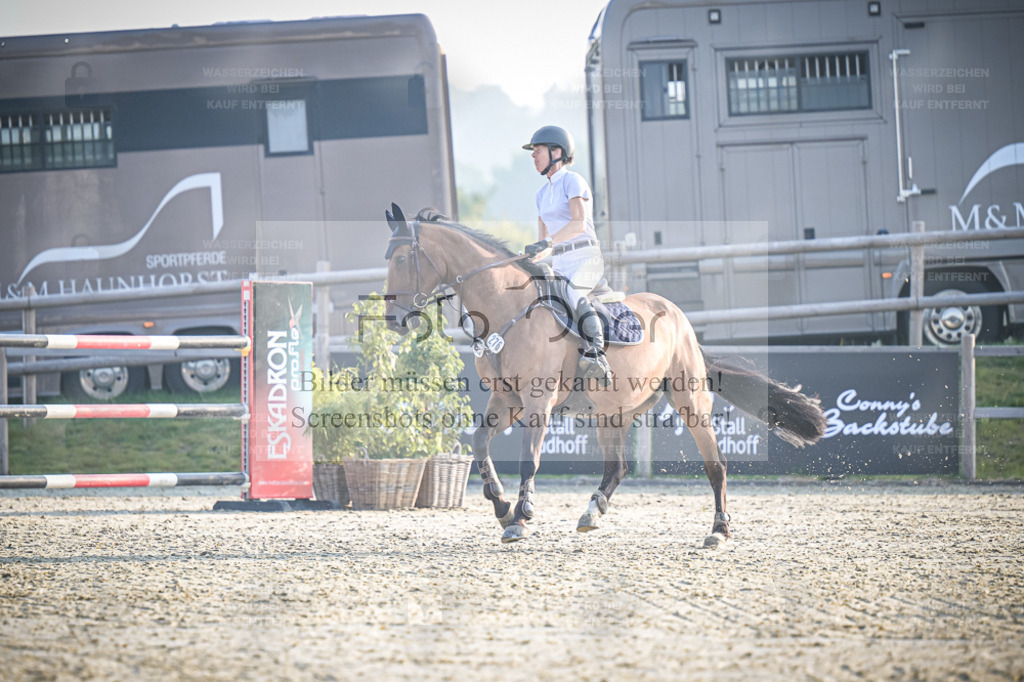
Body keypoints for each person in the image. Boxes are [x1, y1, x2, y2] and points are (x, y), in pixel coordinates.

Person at [522, 125, 612, 383]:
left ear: (556, 152)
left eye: (537, 150)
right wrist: (527, 258)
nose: (533, 156)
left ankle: (596, 353)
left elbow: (579, 224)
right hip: (560, 262)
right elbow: (543, 244)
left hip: (585, 258)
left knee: (572, 293)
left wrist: (547, 243)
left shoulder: (573, 181)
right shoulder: (541, 194)